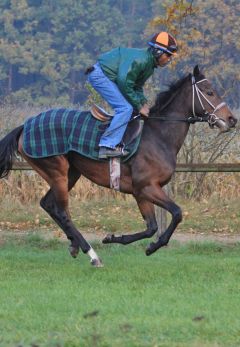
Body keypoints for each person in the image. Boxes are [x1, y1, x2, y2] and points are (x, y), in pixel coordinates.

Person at [86, 31, 178, 159]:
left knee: (132, 107)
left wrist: (143, 103)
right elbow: (125, 83)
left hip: (108, 76)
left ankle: (121, 141)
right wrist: (139, 106)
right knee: (125, 108)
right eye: (168, 55)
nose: (169, 59)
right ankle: (107, 146)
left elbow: (137, 87)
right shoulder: (142, 60)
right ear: (158, 52)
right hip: (100, 75)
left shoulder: (149, 65)